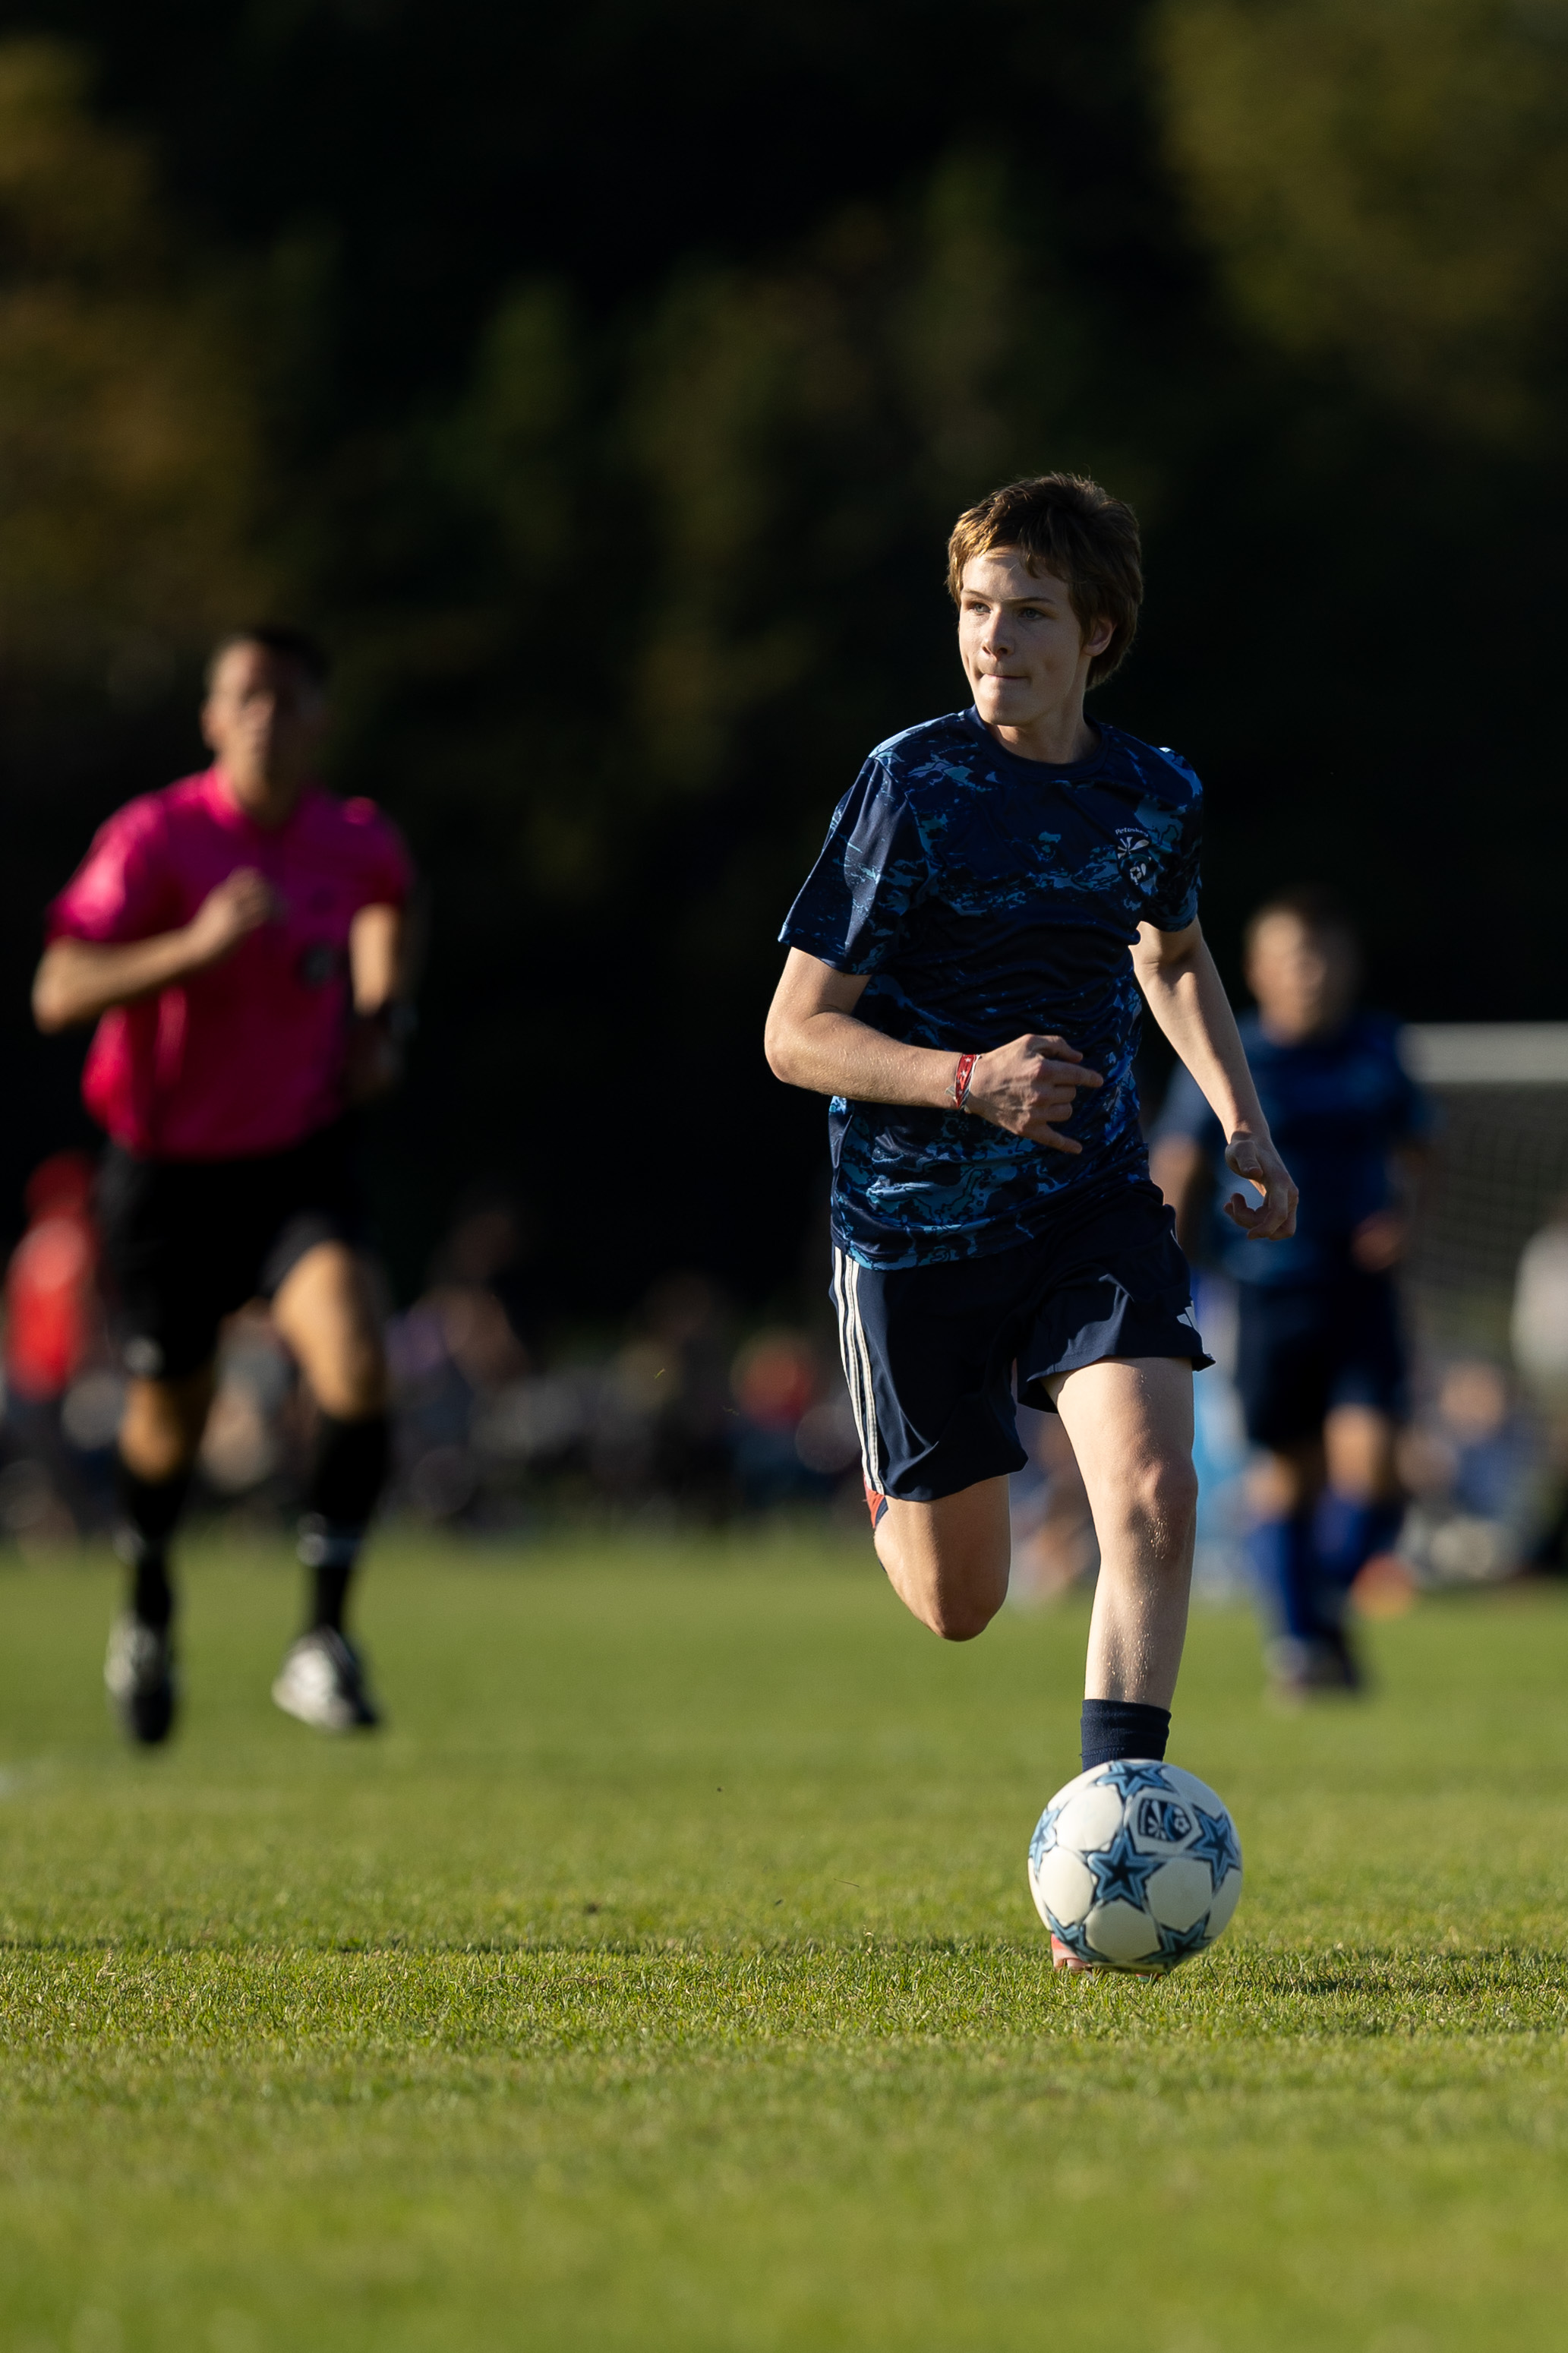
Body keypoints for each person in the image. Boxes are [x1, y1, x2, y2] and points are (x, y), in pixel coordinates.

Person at [764, 472, 1296, 1969]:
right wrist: (968, 1079)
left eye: (1030, 613)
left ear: (1097, 634)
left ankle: (1108, 1841)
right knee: (962, 1604)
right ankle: (895, 1488)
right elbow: (794, 1034)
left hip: (1089, 1202)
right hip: (912, 1229)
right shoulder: (910, 785)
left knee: (1155, 1494)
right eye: (977, 608)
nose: (993, 638)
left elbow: (1171, 954)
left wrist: (1243, 1120)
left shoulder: (1155, 793)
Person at [33, 625, 414, 1745]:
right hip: (167, 1173)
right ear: (211, 717)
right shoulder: (155, 837)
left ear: (319, 720)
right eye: (245, 696)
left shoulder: (352, 839)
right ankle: (148, 1603)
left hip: (297, 1159)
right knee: (172, 1420)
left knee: (357, 1358)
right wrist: (192, 950)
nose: (266, 717)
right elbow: (57, 989)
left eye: (288, 698)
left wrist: (384, 1018)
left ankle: (322, 1639)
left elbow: (392, 897)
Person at [1150, 888, 1429, 1693]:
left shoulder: (1377, 1047)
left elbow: (1421, 1149)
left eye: (1326, 955)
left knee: (1378, 1469)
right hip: (1265, 1292)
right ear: (1257, 970)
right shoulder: (1232, 1055)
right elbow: (1179, 1162)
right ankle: (1301, 1647)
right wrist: (1165, 1268)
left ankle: (1318, 1611)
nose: (1313, 973)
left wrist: (1406, 1218)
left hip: (1360, 1289)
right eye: (1296, 958)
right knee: (1288, 1474)